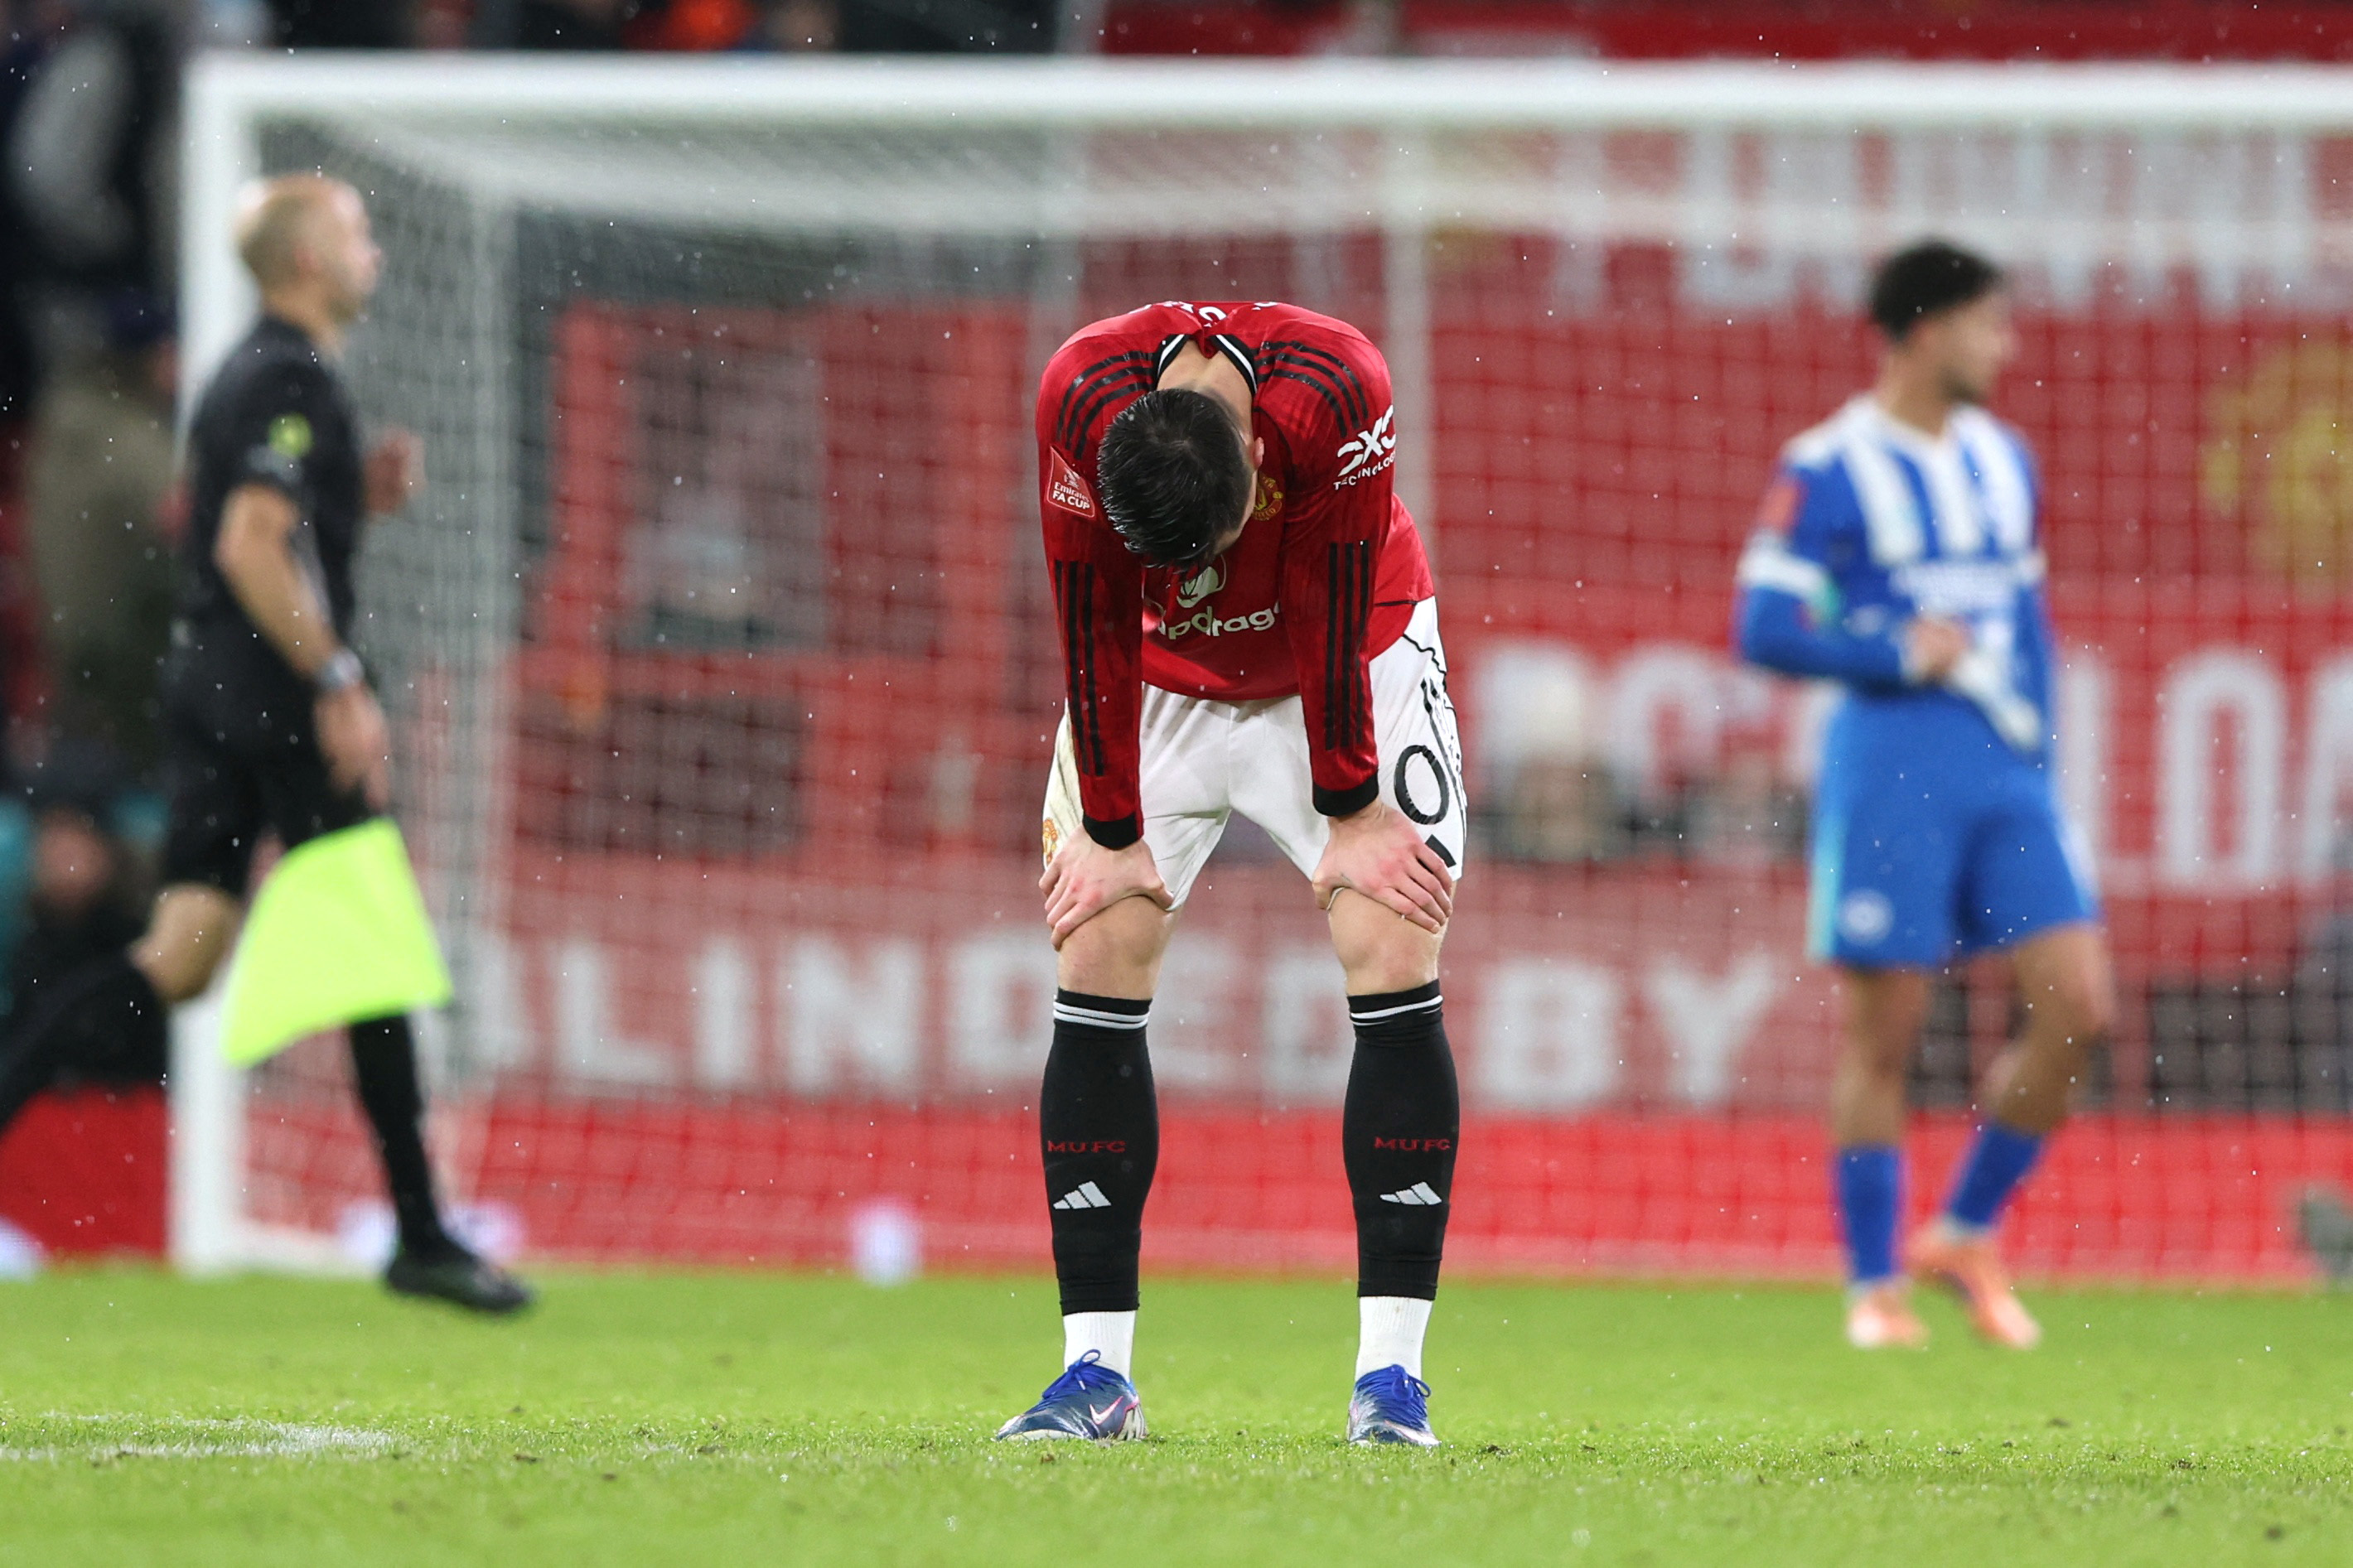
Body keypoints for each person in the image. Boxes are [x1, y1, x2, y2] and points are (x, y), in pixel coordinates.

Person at [0, 174, 530, 1313]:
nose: (372, 252)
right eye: (353, 233)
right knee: (374, 940)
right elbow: (249, 542)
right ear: (301, 261)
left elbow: (252, 521)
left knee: (181, 955)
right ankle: (424, 1231)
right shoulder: (289, 372)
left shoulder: (252, 372)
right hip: (275, 697)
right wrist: (336, 676)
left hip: (210, 687)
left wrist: (353, 495)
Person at [996, 302, 1464, 1446]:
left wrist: (1353, 809)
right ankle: (1095, 1376)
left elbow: (1329, 593)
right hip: (1154, 685)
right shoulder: (1077, 393)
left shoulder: (1340, 387)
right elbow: (1089, 611)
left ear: (1261, 471)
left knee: (1390, 933)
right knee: (1096, 942)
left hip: (1347, 655)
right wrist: (1109, 829)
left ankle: (1390, 1380)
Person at [1733, 239, 2114, 1350]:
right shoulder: (1828, 466)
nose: (2008, 345)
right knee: (1886, 1034)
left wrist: (2040, 751)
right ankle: (1873, 1287)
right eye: (1990, 324)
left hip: (2006, 771)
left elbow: (2025, 621)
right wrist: (1892, 647)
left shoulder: (2009, 461)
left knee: (2079, 1007)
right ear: (1928, 329)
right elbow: (1763, 627)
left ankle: (1966, 1227)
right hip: (1891, 764)